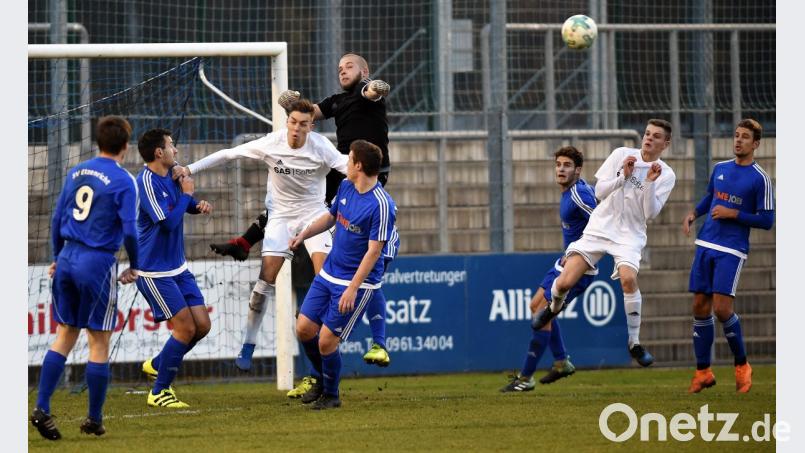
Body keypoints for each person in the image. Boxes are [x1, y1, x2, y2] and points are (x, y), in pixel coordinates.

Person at [209, 53, 395, 370]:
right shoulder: (336, 102)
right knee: (295, 203)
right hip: (346, 171)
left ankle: (378, 341)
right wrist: (289, 103)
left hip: (369, 176)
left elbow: (372, 91)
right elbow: (308, 113)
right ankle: (248, 242)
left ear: (363, 71)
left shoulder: (366, 93)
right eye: (338, 67)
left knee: (372, 257)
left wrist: (377, 87)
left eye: (348, 66)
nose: (342, 70)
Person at [173, 99, 348, 398]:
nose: (296, 128)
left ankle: (327, 333)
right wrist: (188, 167)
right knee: (266, 278)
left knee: (326, 277)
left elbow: (350, 167)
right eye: (292, 122)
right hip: (279, 217)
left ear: (311, 126)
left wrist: (375, 191)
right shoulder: (272, 142)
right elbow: (229, 154)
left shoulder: (321, 148)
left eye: (302, 124)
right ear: (287, 121)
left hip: (313, 215)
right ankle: (248, 344)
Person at [533, 119, 677, 367]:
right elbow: (599, 191)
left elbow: (650, 213)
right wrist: (623, 176)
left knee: (629, 279)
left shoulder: (666, 174)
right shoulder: (622, 154)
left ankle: (634, 342)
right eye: (647, 133)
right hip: (601, 226)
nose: (649, 138)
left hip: (629, 235)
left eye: (656, 136)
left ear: (666, 143)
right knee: (565, 281)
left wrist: (651, 183)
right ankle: (553, 308)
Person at [30, 116, 140, 440]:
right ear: (125, 145)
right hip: (97, 262)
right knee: (98, 339)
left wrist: (56, 256)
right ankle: (94, 419)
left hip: (67, 257)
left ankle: (41, 406)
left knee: (64, 334)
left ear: (98, 142)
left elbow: (56, 217)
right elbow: (131, 230)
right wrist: (135, 264)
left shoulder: (77, 171)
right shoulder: (124, 180)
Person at [290, 140, 396, 409]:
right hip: (328, 274)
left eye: (349, 159)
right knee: (303, 329)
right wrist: (304, 234)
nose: (345, 163)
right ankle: (323, 381)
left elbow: (373, 253)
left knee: (326, 341)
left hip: (355, 284)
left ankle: (331, 395)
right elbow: (330, 217)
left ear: (358, 165)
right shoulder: (346, 186)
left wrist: (352, 289)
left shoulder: (382, 205)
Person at [682, 119, 774, 394]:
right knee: (699, 305)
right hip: (706, 242)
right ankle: (703, 372)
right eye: (736, 136)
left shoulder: (760, 179)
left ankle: (742, 365)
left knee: (722, 309)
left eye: (745, 137)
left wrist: (735, 214)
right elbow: (710, 197)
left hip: (731, 250)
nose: (738, 140)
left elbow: (767, 220)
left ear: (755, 144)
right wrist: (693, 214)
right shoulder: (720, 168)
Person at [501, 146, 596, 392]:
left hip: (580, 267)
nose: (561, 169)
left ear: (578, 169)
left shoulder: (580, 194)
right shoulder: (570, 192)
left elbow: (602, 223)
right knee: (536, 306)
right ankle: (562, 361)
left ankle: (526, 377)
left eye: (567, 165)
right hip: (566, 259)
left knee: (542, 310)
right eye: (558, 165)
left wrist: (582, 252)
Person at [134, 128, 213, 408]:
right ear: (159, 152)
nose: (176, 150)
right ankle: (159, 392)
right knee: (184, 328)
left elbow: (180, 205)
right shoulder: (145, 181)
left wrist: (195, 204)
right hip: (154, 272)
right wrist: (186, 194)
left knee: (202, 326)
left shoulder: (169, 174)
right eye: (171, 146)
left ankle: (158, 363)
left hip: (177, 268)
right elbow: (167, 223)